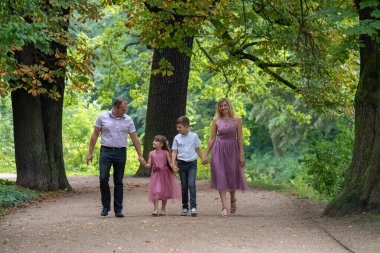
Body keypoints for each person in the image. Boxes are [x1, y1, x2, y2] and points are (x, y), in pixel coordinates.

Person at [86, 98, 145, 218]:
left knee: (118, 181)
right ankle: (106, 206)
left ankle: (118, 209)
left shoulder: (128, 120)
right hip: (106, 151)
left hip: (120, 152)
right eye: (122, 110)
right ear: (115, 108)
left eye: (125, 110)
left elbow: (134, 138)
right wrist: (90, 153)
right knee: (103, 178)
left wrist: (140, 155)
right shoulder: (102, 117)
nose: (124, 112)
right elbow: (95, 134)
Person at [204, 98, 248, 217]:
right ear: (219, 108)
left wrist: (241, 154)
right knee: (221, 175)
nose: (223, 107)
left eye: (225, 105)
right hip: (219, 149)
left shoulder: (237, 120)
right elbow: (212, 138)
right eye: (221, 106)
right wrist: (206, 154)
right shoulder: (216, 121)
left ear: (229, 106)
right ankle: (224, 207)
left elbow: (239, 138)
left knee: (231, 175)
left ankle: (233, 199)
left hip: (232, 149)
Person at [172, 116, 206, 217]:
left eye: (180, 127)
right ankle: (185, 207)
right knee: (184, 186)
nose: (178, 129)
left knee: (191, 184)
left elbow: (198, 149)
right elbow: (174, 151)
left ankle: (193, 207)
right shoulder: (176, 138)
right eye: (177, 127)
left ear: (186, 126)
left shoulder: (194, 136)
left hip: (192, 164)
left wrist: (203, 158)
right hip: (182, 164)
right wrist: (173, 163)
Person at [143, 135, 181, 216]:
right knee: (156, 191)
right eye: (154, 140)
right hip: (156, 175)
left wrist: (173, 167)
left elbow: (170, 162)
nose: (154, 142)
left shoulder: (165, 152)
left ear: (161, 144)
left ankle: (163, 209)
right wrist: (144, 164)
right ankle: (155, 209)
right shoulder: (151, 153)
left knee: (164, 191)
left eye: (156, 141)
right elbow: (149, 165)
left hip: (165, 174)